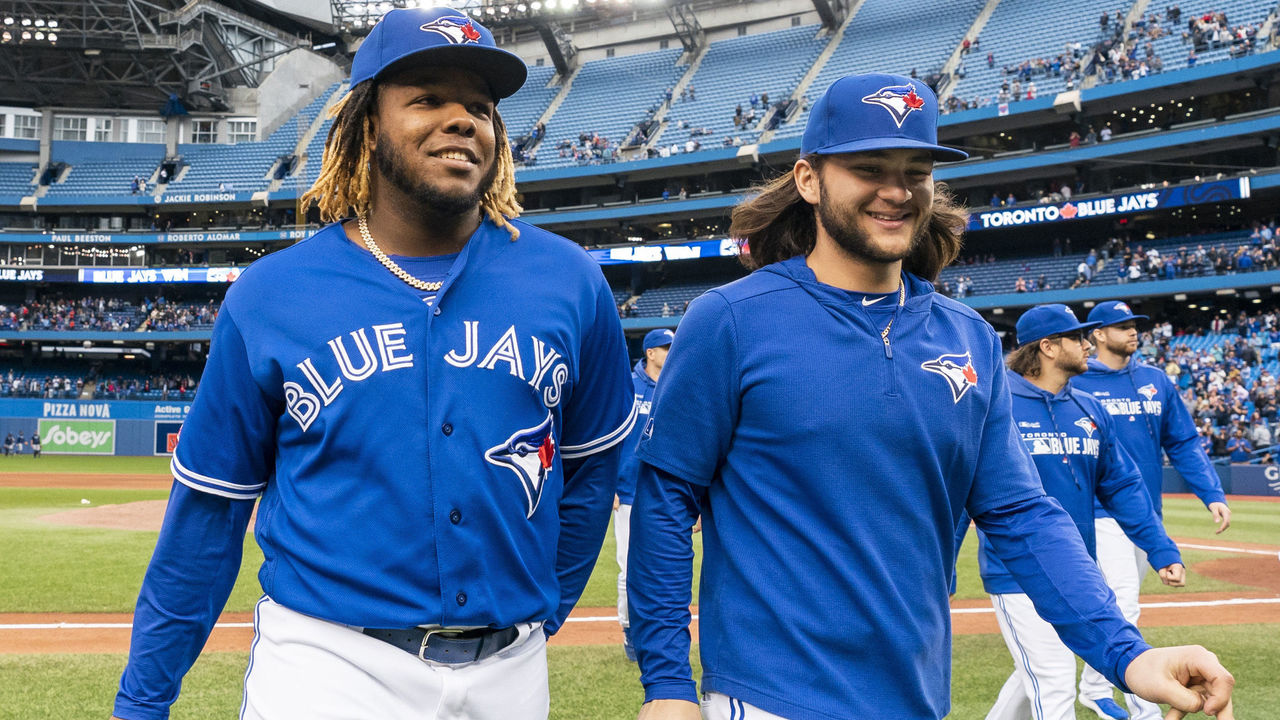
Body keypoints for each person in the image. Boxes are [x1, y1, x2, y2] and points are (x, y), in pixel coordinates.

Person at [625, 73, 1236, 720]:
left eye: (916, 171)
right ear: (808, 180)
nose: (897, 191)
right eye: (869, 168)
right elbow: (666, 498)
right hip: (773, 696)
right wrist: (666, 686)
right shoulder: (731, 319)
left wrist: (1128, 655)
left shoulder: (969, 336)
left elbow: (1020, 514)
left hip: (918, 694)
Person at [111, 8, 635, 720]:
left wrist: (539, 613)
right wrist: (142, 703)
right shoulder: (272, 296)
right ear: (366, 125)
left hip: (512, 672)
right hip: (331, 667)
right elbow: (207, 516)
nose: (462, 120)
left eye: (479, 107)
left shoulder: (569, 281)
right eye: (426, 99)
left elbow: (592, 469)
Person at [976, 304, 1186, 720]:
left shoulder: (1090, 408)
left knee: (1033, 675)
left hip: (1075, 570)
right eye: (1077, 337)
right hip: (1015, 571)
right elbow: (962, 489)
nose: (1088, 344)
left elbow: (1123, 487)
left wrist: (1161, 550)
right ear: (1048, 347)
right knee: (1053, 678)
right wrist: (940, 571)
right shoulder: (997, 405)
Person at [1073, 300, 1231, 720]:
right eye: (1122, 326)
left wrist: (1211, 492)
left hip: (1145, 515)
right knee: (1122, 599)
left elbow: (1182, 442)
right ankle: (1130, 700)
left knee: (1122, 599)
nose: (1133, 331)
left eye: (1135, 325)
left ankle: (1094, 685)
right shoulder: (1080, 383)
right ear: (1098, 335)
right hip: (1098, 510)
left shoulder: (1155, 380)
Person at [615, 328, 675, 662]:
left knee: (663, 568)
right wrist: (609, 483)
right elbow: (612, 436)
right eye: (665, 348)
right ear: (650, 352)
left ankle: (659, 635)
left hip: (662, 491)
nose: (670, 352)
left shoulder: (675, 384)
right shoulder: (628, 385)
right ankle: (629, 631)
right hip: (626, 491)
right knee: (628, 569)